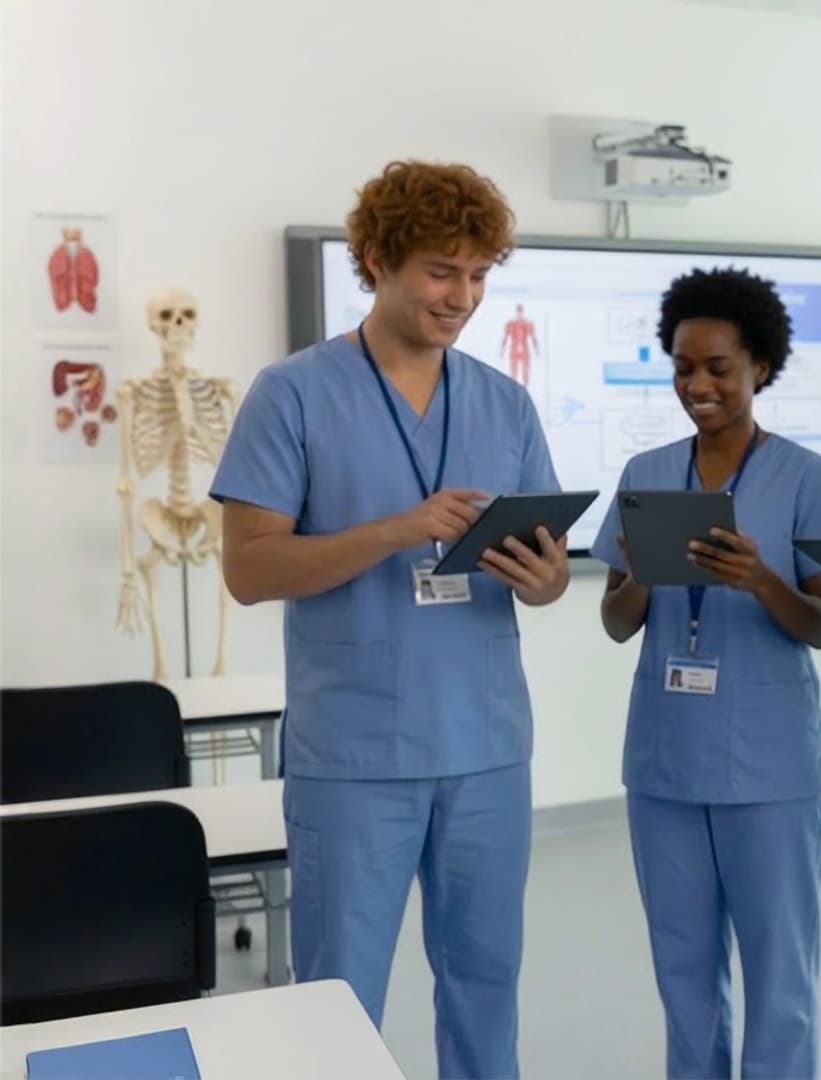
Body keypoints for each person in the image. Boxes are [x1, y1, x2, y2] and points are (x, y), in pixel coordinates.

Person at [213, 160, 570, 1080]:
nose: (464, 297)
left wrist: (544, 580)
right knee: (337, 996)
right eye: (442, 272)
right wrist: (392, 533)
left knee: (487, 985)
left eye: (481, 274)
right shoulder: (291, 394)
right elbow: (249, 569)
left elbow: (546, 576)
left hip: (486, 745)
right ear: (375, 260)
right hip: (357, 753)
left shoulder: (505, 401)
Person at [593, 267, 821, 1079]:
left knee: (781, 978)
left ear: (761, 370)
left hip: (770, 767)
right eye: (682, 368)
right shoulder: (646, 475)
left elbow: (820, 626)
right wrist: (642, 575)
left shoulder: (805, 478)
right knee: (684, 975)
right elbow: (614, 621)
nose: (697, 386)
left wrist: (760, 580)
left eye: (718, 369)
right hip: (667, 766)